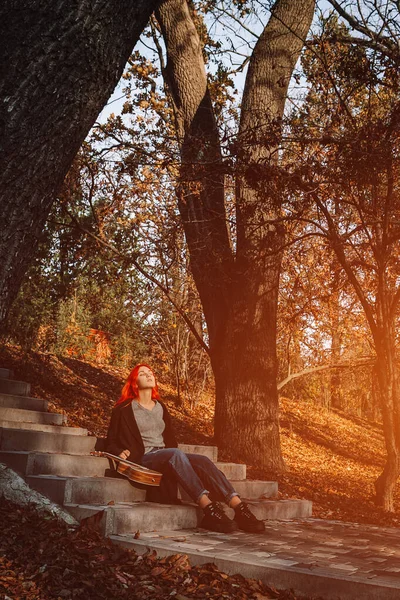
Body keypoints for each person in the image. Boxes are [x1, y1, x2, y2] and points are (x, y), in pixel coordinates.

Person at [106, 364, 265, 534]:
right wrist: (119, 451)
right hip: (144, 457)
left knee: (202, 460)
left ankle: (238, 507)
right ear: (135, 383)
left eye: (150, 373)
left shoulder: (160, 407)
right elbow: (111, 441)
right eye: (143, 374)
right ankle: (208, 508)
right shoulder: (123, 409)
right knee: (175, 454)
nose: (149, 375)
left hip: (166, 455)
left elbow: (170, 441)